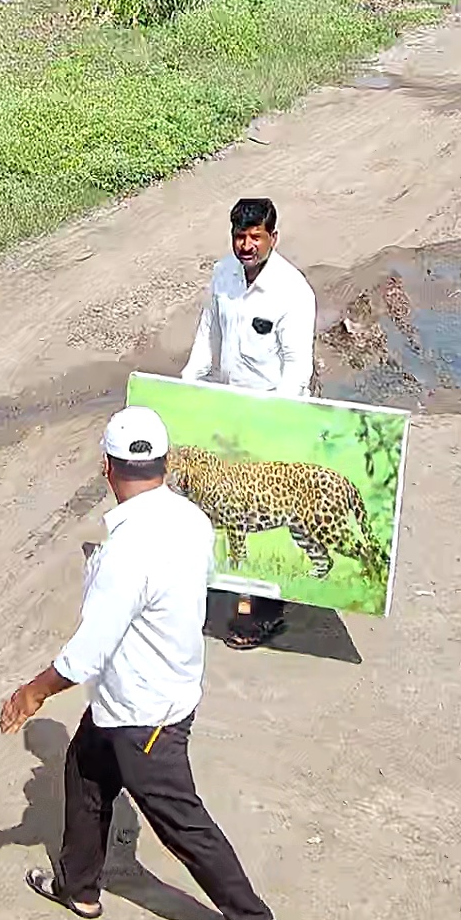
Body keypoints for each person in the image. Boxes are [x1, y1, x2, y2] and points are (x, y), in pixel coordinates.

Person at [0, 407, 281, 920]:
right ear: (165, 464)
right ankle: (79, 887)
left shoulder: (126, 553)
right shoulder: (191, 519)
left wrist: (33, 693)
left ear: (107, 468)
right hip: (146, 691)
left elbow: (86, 654)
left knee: (179, 819)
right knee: (85, 769)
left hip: (144, 712)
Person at [179, 196, 314, 649]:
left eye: (256, 237)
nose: (247, 246)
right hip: (228, 412)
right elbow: (208, 334)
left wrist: (273, 423)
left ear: (273, 237)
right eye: (240, 237)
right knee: (217, 507)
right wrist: (188, 384)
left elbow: (297, 367)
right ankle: (214, 585)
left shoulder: (292, 291)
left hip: (273, 418)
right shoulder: (223, 275)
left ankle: (264, 612)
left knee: (267, 515)